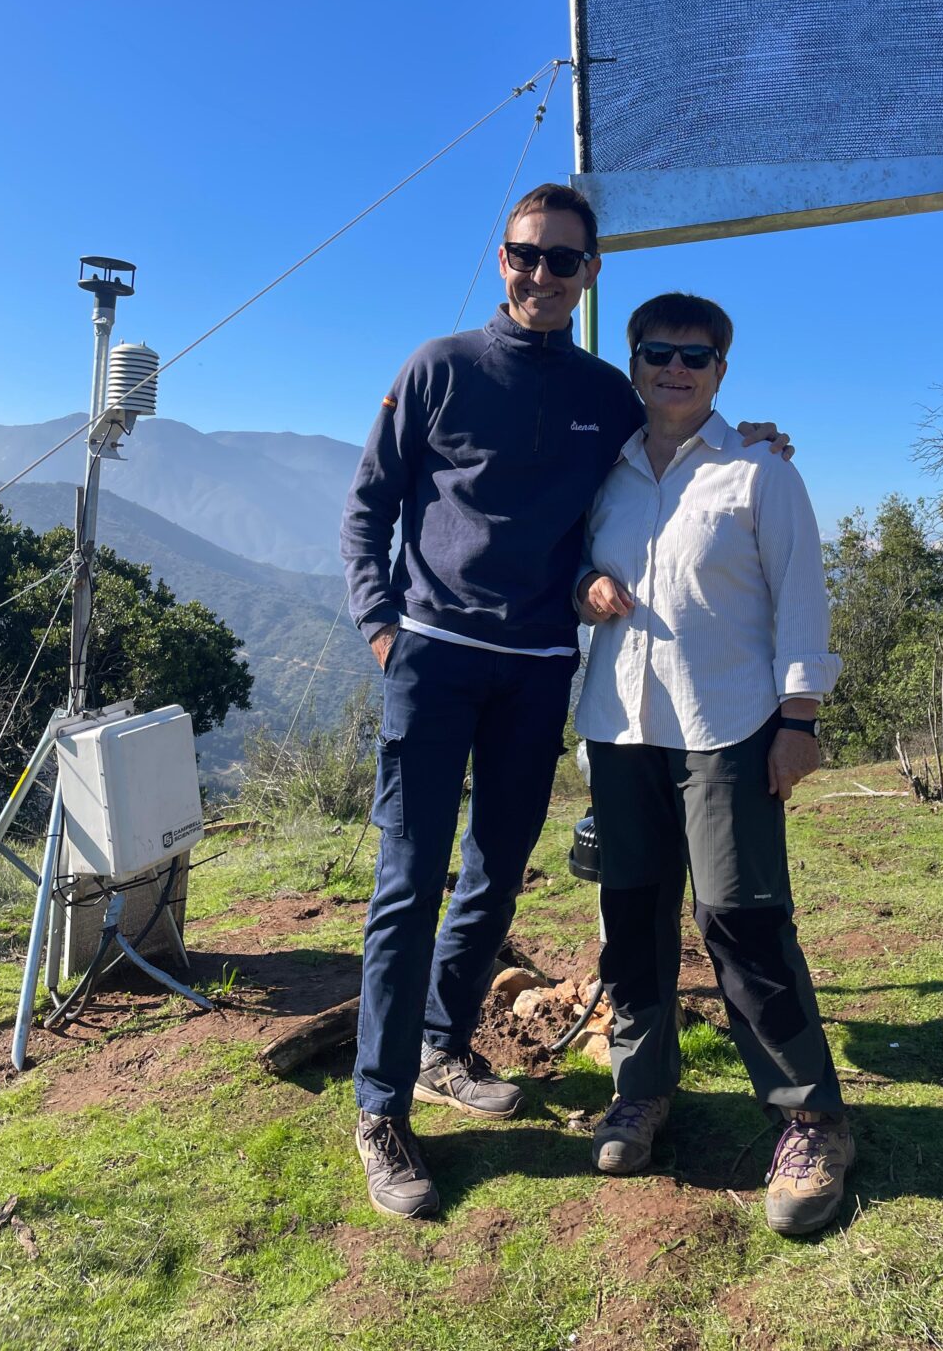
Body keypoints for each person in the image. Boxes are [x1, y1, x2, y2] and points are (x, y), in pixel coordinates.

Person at [340, 185, 790, 1219]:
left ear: (592, 273)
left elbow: (675, 443)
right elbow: (371, 500)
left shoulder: (607, 392)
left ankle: (445, 1048)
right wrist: (381, 625)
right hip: (436, 656)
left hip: (542, 665)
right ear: (502, 260)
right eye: (524, 256)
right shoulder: (439, 367)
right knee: (409, 881)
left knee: (494, 879)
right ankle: (381, 1107)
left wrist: (754, 437)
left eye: (563, 261)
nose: (540, 275)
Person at [575, 291, 850, 1238]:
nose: (676, 368)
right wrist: (584, 586)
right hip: (620, 729)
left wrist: (799, 718)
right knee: (632, 914)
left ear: (722, 371)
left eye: (697, 355)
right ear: (635, 362)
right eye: (658, 352)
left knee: (740, 916)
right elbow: (565, 565)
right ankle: (641, 1091)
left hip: (729, 727)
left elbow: (802, 593)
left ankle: (808, 1116)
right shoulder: (604, 476)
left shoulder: (758, 473)